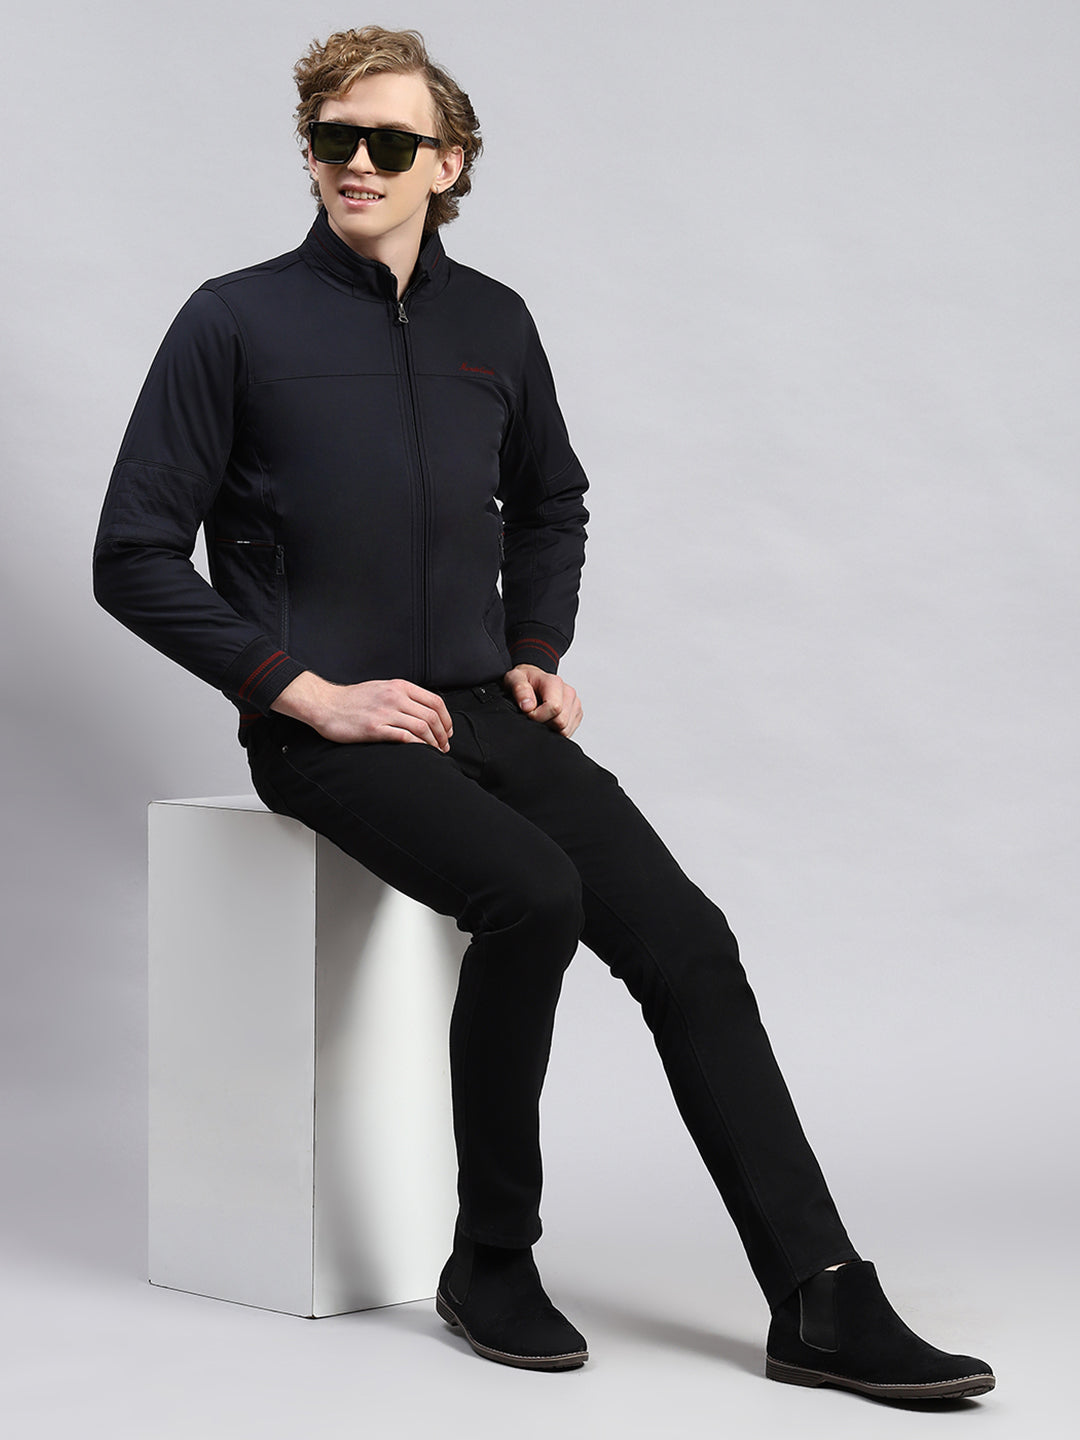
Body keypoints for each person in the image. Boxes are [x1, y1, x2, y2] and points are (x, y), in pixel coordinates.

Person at [94, 25, 994, 1398]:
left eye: (389, 142)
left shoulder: (494, 323)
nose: (355, 163)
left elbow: (551, 500)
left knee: (689, 941)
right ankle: (492, 1259)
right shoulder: (235, 321)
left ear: (448, 163)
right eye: (332, 138)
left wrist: (533, 645)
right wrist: (301, 692)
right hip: (326, 733)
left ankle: (819, 1295)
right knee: (531, 896)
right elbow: (134, 553)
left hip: (485, 711)